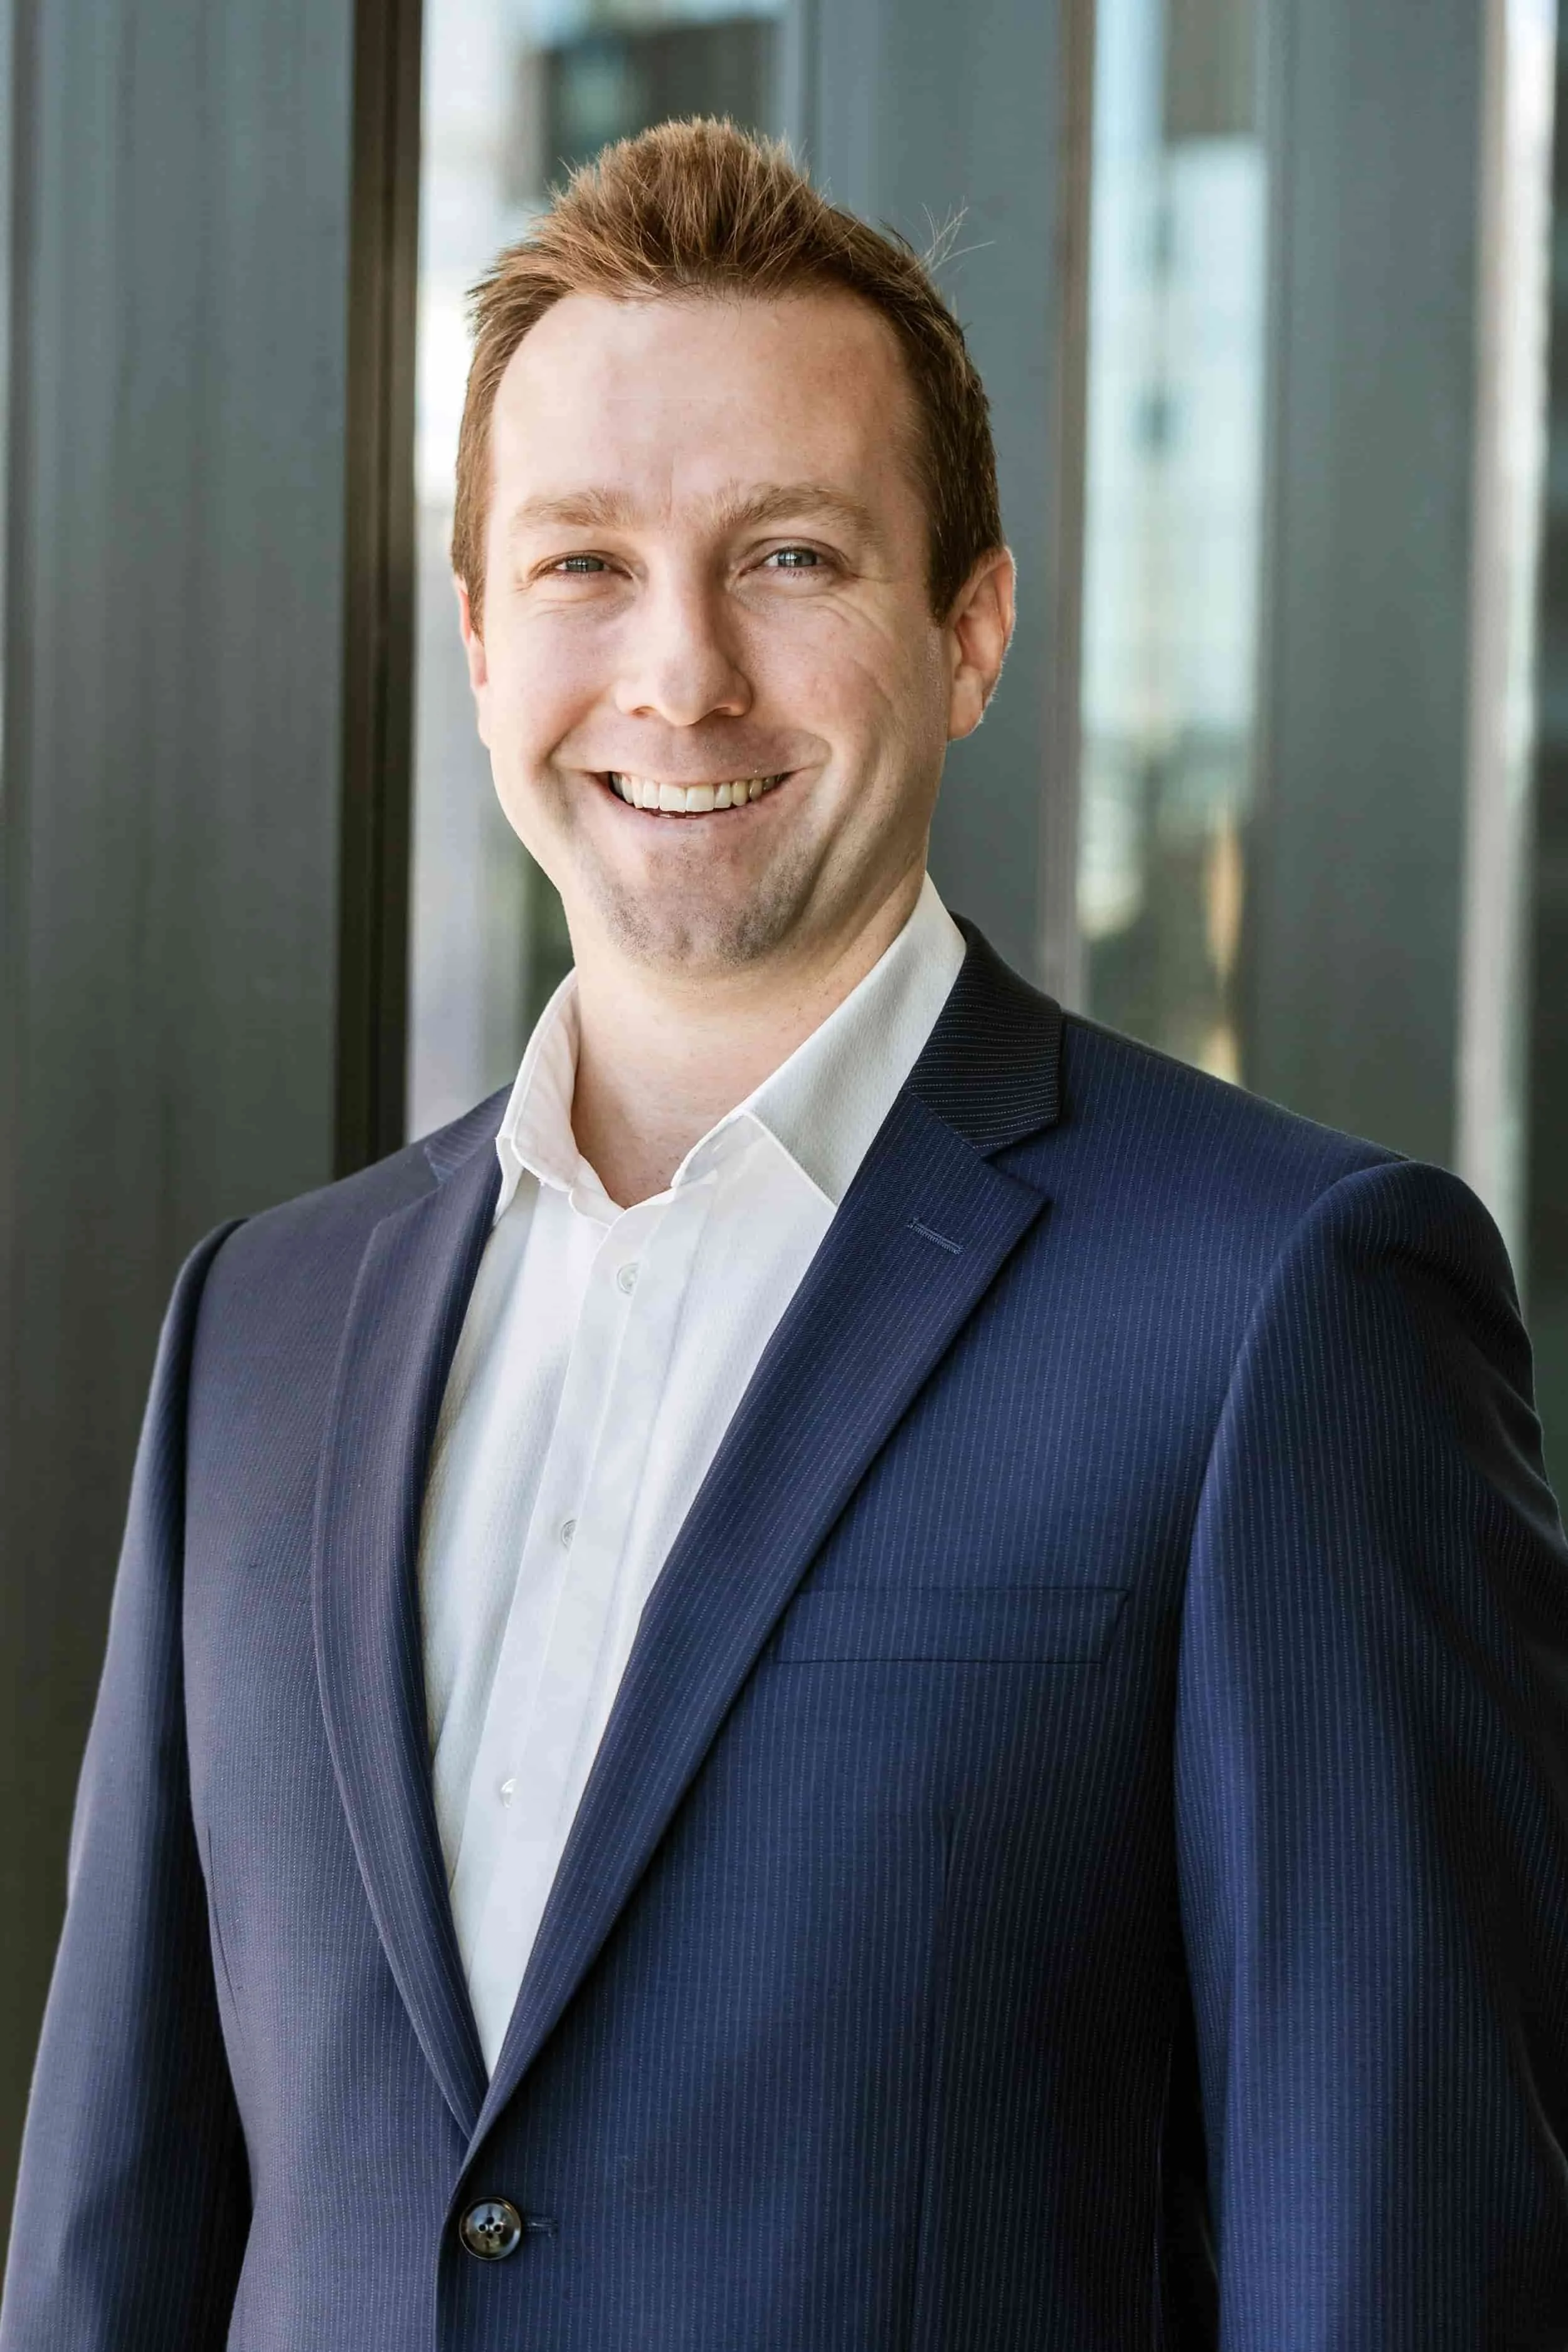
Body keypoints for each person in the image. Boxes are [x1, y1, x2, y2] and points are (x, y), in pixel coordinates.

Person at [4, 115, 1568, 2352]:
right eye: (579, 566)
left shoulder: (1284, 1313)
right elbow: (114, 2239)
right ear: (470, 636)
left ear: (972, 629)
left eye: (793, 558)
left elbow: (1399, 2274)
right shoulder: (259, 1325)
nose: (681, 673)